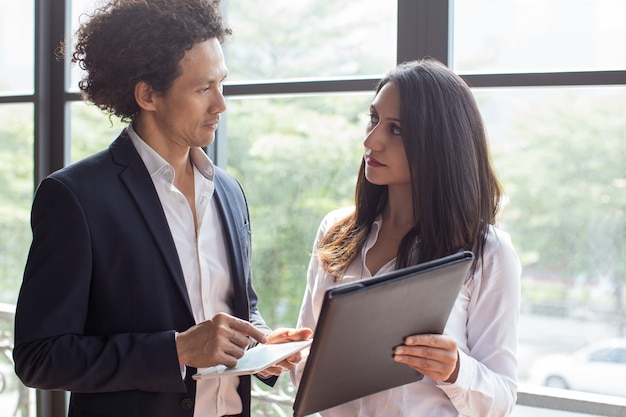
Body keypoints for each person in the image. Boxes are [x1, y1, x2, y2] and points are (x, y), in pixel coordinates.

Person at [13, 1, 311, 416]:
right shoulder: (75, 197)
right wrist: (176, 350)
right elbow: (39, 356)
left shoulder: (228, 190)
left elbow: (235, 302)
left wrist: (262, 342)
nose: (221, 104)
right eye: (203, 88)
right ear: (148, 95)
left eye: (221, 83)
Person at [292, 58, 521, 417]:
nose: (371, 140)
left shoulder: (488, 252)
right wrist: (287, 355)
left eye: (395, 130)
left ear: (440, 143)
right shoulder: (336, 232)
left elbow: (503, 398)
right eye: (373, 120)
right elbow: (303, 368)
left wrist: (456, 369)